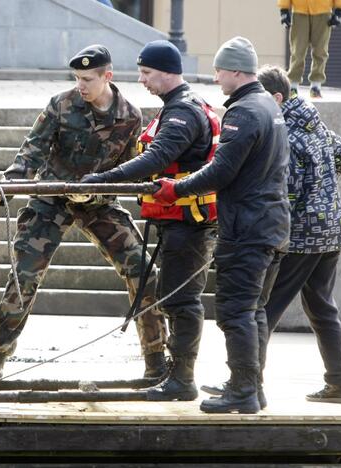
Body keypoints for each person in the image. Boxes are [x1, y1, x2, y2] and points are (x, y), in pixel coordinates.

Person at [0, 45, 167, 382]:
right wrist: (7, 186)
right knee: (24, 277)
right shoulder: (61, 104)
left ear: (107, 76)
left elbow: (128, 170)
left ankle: (157, 361)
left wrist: (99, 191)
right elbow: (31, 151)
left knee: (142, 270)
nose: (80, 85)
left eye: (87, 79)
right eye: (77, 78)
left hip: (100, 201)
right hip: (52, 197)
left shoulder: (130, 116)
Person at [150, 37, 290, 414]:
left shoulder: (243, 111)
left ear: (234, 71)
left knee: (235, 311)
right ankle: (250, 386)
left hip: (247, 227)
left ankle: (243, 390)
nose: (215, 79)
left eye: (218, 71)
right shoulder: (269, 107)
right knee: (255, 309)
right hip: (273, 224)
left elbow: (221, 171)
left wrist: (174, 189)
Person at [80, 40, 219, 401]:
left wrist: (104, 179)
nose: (141, 80)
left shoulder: (182, 113)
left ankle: (182, 380)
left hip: (188, 226)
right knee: (174, 299)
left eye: (147, 73)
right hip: (178, 221)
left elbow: (157, 158)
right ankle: (176, 376)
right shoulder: (176, 107)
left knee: (182, 302)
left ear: (169, 72)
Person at [258, 65, 341, 403]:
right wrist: (323, 190)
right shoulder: (315, 123)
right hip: (331, 230)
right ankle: (340, 385)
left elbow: (287, 190)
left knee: (264, 307)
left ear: (276, 97)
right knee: (322, 308)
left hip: (302, 236)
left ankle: (246, 383)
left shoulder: (285, 134)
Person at [279, 0, 341, 98]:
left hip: (323, 11)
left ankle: (316, 86)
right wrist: (284, 9)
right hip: (300, 11)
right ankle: (293, 86)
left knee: (320, 51)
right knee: (298, 51)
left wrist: (339, 9)